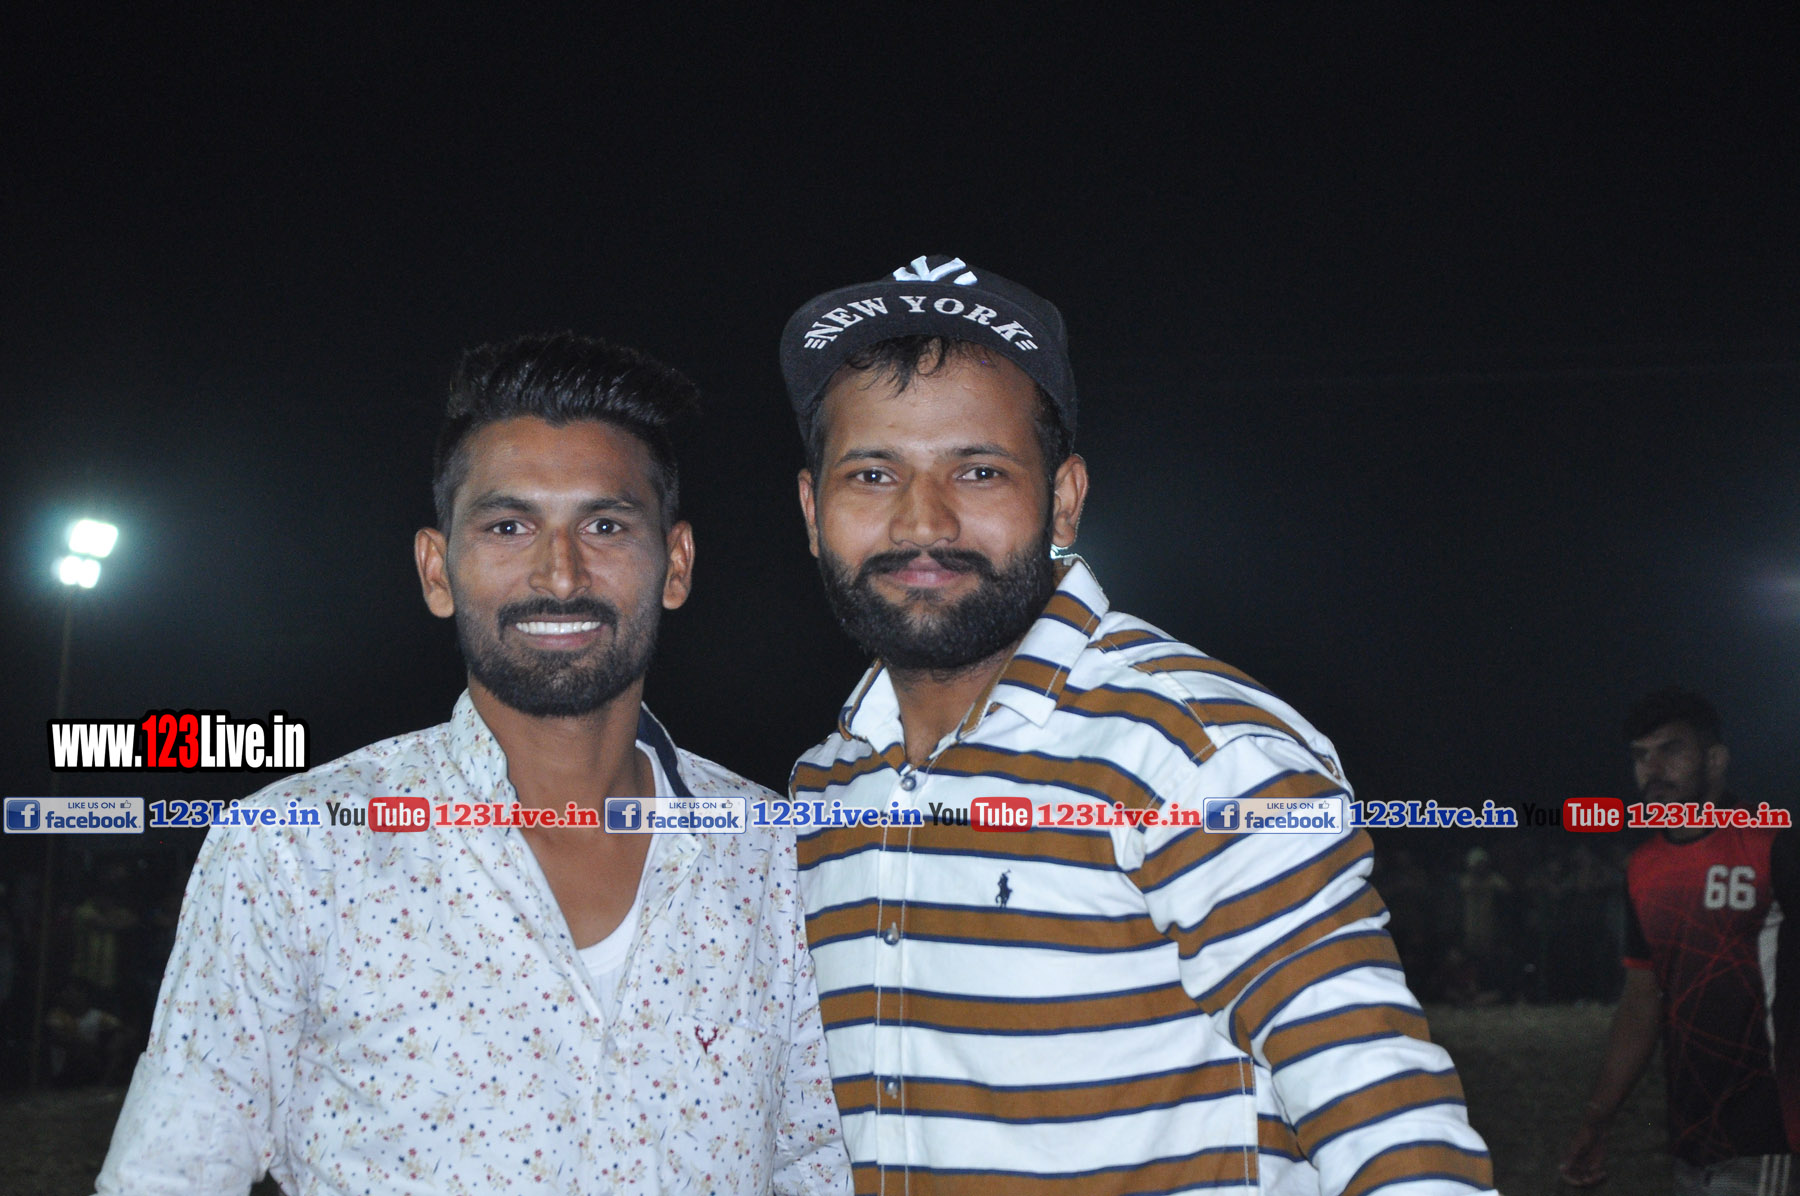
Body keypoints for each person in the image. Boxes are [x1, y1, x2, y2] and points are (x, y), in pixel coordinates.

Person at [777, 256, 1494, 1195]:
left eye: (979, 471)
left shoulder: (1192, 750)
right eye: (873, 474)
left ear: (1064, 500)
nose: (924, 522)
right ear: (812, 509)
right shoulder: (825, 786)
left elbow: (1389, 1120)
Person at [97, 334, 851, 1195]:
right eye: (508, 527)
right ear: (437, 569)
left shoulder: (773, 858)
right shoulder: (295, 850)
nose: (560, 574)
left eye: (605, 525)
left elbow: (820, 1168)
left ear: (675, 564)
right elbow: (169, 1175)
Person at [1560, 689, 1794, 1192]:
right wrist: (1597, 1119)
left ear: (1715, 759)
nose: (1653, 769)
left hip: (1770, 1132)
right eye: (1641, 756)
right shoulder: (1644, 867)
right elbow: (1641, 1002)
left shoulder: (1774, 845)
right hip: (1690, 1136)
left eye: (1671, 750)